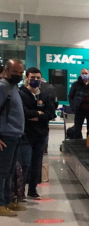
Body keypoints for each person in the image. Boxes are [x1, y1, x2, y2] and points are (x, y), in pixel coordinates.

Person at [19, 67, 55, 200]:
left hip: (41, 135)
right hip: (26, 135)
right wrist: (38, 113)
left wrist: (37, 117)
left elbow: (51, 113)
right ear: (27, 78)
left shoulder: (44, 95)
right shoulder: (21, 94)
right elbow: (23, 113)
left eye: (38, 78)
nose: (35, 80)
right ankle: (20, 191)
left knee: (36, 164)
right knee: (25, 163)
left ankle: (32, 190)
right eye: (32, 78)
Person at [0, 59, 26, 217]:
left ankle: (7, 200)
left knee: (9, 170)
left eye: (21, 72)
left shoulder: (13, 87)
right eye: (15, 72)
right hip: (5, 135)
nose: (18, 75)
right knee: (2, 171)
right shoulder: (2, 87)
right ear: (6, 71)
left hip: (15, 135)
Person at [67, 68, 89, 138]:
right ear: (80, 75)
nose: (84, 75)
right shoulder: (76, 84)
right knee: (77, 128)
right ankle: (78, 141)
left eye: (86, 73)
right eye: (83, 73)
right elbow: (70, 96)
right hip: (79, 110)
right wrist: (73, 106)